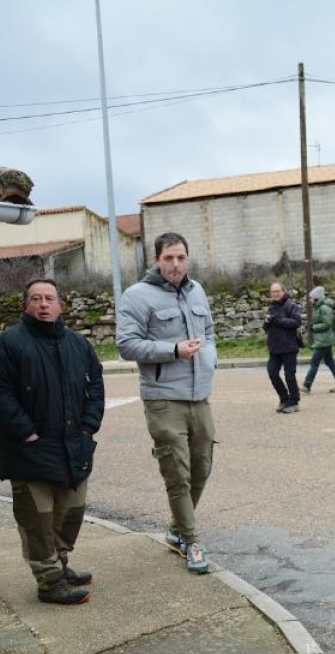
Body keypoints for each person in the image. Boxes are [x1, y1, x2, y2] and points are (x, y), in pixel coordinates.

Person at [0, 279, 104, 605]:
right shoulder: (9, 344)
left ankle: (59, 566)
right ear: (26, 306)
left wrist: (89, 428)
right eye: (36, 299)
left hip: (74, 448)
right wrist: (25, 431)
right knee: (39, 522)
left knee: (69, 514)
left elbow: (96, 386)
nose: (43, 304)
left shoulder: (78, 344)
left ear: (60, 305)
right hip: (29, 449)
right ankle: (49, 582)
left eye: (49, 298)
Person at [116, 232, 218, 574]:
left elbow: (210, 332)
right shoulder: (136, 296)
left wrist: (210, 359)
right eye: (169, 258)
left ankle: (175, 530)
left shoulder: (197, 290)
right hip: (163, 399)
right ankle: (191, 542)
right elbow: (127, 345)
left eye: (181, 258)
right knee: (178, 474)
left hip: (199, 396)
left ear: (187, 259)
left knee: (202, 467)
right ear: (156, 259)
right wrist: (172, 350)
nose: (175, 264)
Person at [265, 281, 303, 413]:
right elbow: (267, 327)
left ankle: (294, 402)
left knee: (289, 375)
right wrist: (267, 323)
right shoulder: (271, 307)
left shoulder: (290, 305)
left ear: (283, 291)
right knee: (272, 372)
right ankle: (284, 399)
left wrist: (278, 320)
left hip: (289, 347)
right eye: (273, 292)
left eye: (277, 291)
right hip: (275, 347)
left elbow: (297, 322)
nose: (275, 294)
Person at [301, 286, 335, 394]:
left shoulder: (324, 307)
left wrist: (313, 327)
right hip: (324, 338)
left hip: (324, 339)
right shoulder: (318, 306)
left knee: (314, 362)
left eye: (311, 298)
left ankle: (307, 385)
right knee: (330, 362)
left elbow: (327, 323)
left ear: (316, 297)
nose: (310, 300)